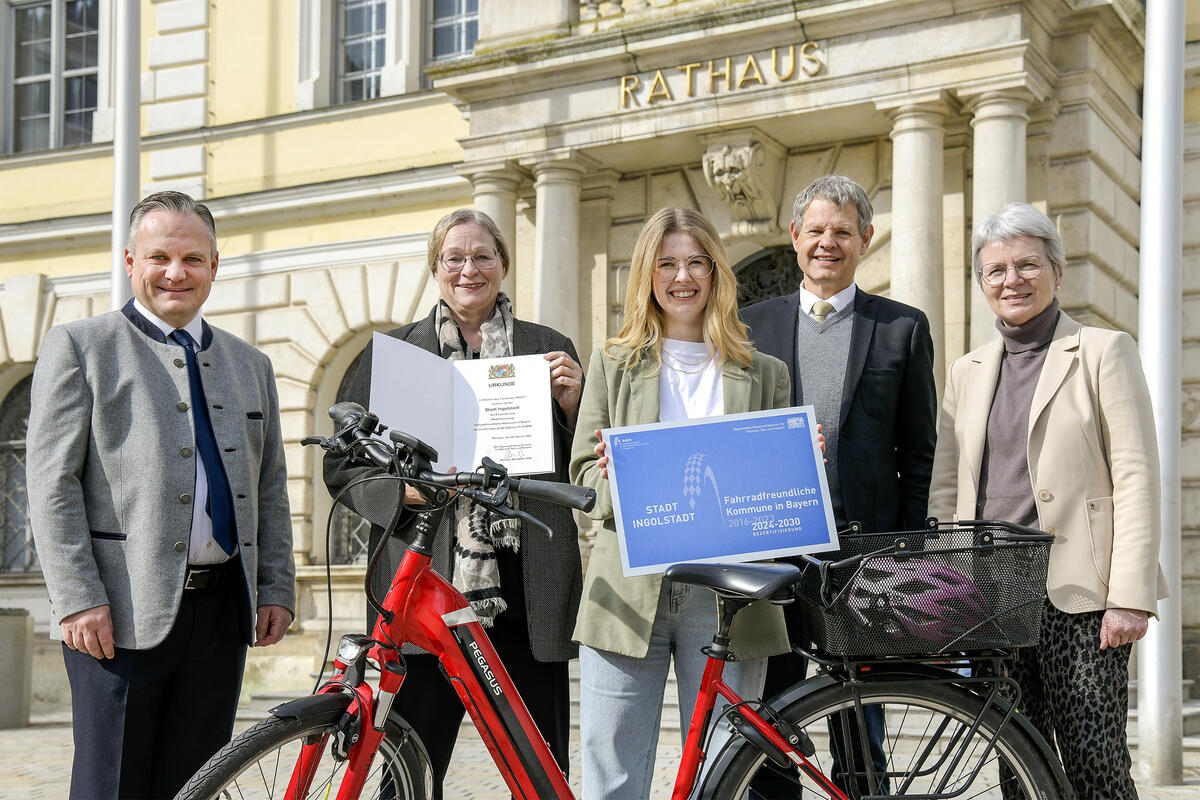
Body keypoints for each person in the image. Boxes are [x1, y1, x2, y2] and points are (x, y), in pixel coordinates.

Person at [26, 190, 296, 800]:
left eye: (193, 259)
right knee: (111, 787)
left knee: (196, 786)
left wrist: (276, 585)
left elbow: (269, 484)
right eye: (160, 257)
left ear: (215, 266)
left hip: (223, 611)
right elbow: (51, 482)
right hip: (116, 613)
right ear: (130, 261)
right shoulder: (81, 346)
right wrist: (76, 598)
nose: (176, 273)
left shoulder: (250, 363)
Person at [323, 208, 584, 798]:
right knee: (410, 761)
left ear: (503, 266)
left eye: (483, 256)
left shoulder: (547, 348)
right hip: (424, 587)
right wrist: (404, 491)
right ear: (436, 269)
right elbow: (342, 466)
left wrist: (572, 406)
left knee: (539, 765)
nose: (469, 269)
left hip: (526, 585)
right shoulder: (392, 354)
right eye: (454, 258)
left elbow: (582, 468)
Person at [927, 202, 1167, 799]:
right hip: (994, 594)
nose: (1012, 280)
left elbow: (1137, 475)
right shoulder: (967, 369)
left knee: (1095, 764)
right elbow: (946, 484)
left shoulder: (1103, 351)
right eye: (996, 270)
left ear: (1056, 273)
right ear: (982, 283)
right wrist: (946, 581)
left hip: (1083, 599)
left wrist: (1130, 597)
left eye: (1028, 265)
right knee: (1019, 767)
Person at [570, 207, 793, 800]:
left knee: (727, 770)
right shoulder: (612, 364)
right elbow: (583, 477)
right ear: (647, 274)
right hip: (628, 586)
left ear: (717, 272)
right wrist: (627, 482)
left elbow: (772, 485)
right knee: (612, 767)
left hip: (726, 594)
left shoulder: (764, 372)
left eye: (696, 262)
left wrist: (799, 458)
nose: (682, 276)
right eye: (667, 263)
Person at [740, 174, 937, 796]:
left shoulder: (902, 328)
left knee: (861, 712)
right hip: (773, 548)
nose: (829, 243)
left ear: (866, 241)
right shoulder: (748, 326)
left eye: (843, 232)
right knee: (774, 710)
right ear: (795, 237)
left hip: (863, 558)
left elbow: (919, 450)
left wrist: (902, 553)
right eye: (817, 231)